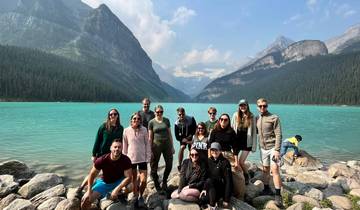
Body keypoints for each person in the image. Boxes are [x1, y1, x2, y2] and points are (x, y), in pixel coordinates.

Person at [77, 108, 124, 194]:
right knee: (94, 173)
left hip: (113, 156)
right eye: (111, 114)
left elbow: (121, 142)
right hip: (101, 155)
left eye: (115, 114)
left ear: (118, 116)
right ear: (109, 116)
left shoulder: (120, 128)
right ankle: (81, 188)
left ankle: (110, 190)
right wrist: (94, 154)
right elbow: (97, 140)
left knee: (111, 174)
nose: (113, 116)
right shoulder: (103, 126)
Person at [81, 139, 132, 210]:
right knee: (86, 200)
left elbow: (128, 177)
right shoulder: (102, 160)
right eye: (115, 147)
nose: (117, 149)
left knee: (131, 186)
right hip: (104, 183)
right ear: (110, 148)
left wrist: (117, 189)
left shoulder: (126, 160)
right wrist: (89, 191)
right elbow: (92, 175)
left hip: (119, 181)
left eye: (119, 147)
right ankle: (109, 195)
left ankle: (119, 195)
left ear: (122, 148)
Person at [256, 98, 283, 207]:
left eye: (265, 106)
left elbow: (279, 134)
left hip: (272, 148)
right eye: (260, 106)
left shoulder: (274, 118)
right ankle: (266, 189)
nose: (263, 107)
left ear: (267, 106)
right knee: (265, 169)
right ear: (257, 107)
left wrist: (277, 150)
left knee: (275, 169)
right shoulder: (257, 118)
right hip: (263, 149)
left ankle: (278, 195)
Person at [122, 113, 151, 207]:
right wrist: (124, 158)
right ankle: (136, 196)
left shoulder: (144, 129)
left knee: (143, 181)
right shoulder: (126, 130)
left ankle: (140, 195)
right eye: (134, 118)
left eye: (138, 119)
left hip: (142, 159)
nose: (136, 120)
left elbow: (147, 144)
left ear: (140, 120)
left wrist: (148, 157)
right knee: (134, 180)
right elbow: (125, 146)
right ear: (131, 120)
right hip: (131, 159)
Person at [148, 105, 175, 191]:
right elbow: (150, 137)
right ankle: (156, 183)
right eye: (157, 112)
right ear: (155, 112)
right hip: (156, 146)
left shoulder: (166, 120)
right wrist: (150, 150)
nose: (159, 113)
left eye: (161, 112)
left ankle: (164, 181)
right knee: (153, 166)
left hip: (167, 145)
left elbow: (170, 134)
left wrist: (172, 146)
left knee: (169, 164)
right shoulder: (151, 122)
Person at [231, 99, 257, 185]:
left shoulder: (251, 116)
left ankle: (246, 175)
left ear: (247, 106)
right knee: (234, 161)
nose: (242, 107)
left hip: (247, 143)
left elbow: (253, 132)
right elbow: (231, 128)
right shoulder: (235, 115)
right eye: (241, 105)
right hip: (236, 142)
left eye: (244, 105)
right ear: (239, 106)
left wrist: (254, 145)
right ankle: (237, 175)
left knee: (241, 161)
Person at [201, 142, 232, 209]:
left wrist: (226, 199)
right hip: (210, 186)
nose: (214, 152)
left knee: (210, 180)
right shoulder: (209, 160)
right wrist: (204, 188)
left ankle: (212, 206)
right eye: (212, 150)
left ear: (220, 151)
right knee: (202, 199)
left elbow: (229, 181)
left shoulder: (225, 162)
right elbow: (205, 176)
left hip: (220, 188)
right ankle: (212, 202)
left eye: (216, 150)